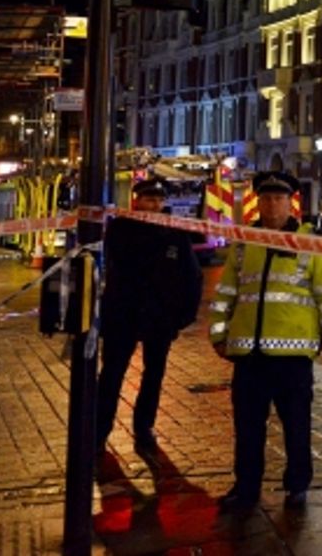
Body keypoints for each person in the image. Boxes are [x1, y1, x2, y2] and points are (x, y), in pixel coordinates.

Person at [211, 171, 322, 512]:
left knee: (297, 425)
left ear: (291, 203)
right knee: (247, 428)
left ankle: (298, 485)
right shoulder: (244, 241)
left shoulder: (310, 242)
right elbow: (228, 289)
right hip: (249, 353)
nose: (272, 205)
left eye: (279, 199)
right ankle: (246, 488)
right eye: (267, 198)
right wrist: (219, 333)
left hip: (293, 353)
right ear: (259, 201)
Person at [96, 177, 203, 457]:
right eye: (148, 200)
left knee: (153, 375)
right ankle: (99, 430)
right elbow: (118, 269)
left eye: (158, 200)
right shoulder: (120, 228)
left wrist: (183, 316)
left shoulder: (175, 232)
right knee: (111, 374)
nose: (154, 205)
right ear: (137, 201)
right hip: (124, 314)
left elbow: (191, 275)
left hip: (160, 316)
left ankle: (144, 428)